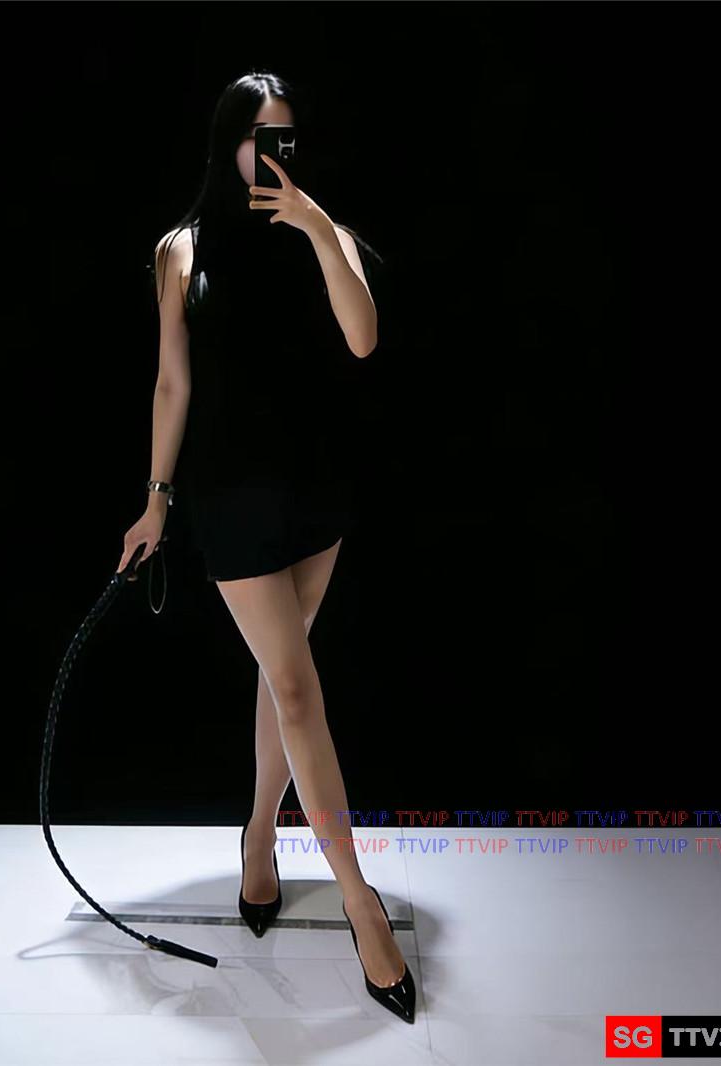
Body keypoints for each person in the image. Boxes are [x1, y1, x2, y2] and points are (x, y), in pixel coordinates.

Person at [115, 71, 414, 1023]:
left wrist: (320, 228)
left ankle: (256, 836)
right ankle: (359, 901)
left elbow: (363, 340)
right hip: (229, 495)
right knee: (294, 689)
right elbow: (172, 383)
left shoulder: (320, 232)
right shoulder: (181, 250)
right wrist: (156, 501)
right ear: (227, 143)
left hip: (314, 486)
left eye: (284, 136)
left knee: (281, 682)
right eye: (255, 135)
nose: (270, 152)